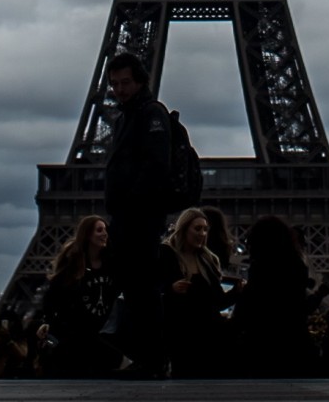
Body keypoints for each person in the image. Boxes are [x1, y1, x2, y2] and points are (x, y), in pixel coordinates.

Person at [103, 52, 172, 377]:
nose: (119, 89)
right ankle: (144, 358)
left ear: (141, 80)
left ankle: (152, 360)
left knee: (143, 290)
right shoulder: (125, 117)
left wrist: (131, 203)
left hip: (140, 217)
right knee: (135, 290)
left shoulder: (150, 114)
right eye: (114, 83)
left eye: (125, 82)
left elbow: (156, 166)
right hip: (127, 216)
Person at [231, 215, 319, 378]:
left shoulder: (260, 267)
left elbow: (249, 308)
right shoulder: (297, 266)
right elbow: (299, 307)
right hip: (295, 344)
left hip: (263, 346)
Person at [35, 216, 122, 378]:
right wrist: (47, 320)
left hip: (99, 330)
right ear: (87, 234)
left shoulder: (112, 264)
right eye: (99, 230)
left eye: (106, 230)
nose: (105, 234)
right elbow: (53, 295)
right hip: (75, 334)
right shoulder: (73, 264)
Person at [159, 207, 240, 378]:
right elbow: (152, 289)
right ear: (184, 229)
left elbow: (219, 302)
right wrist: (170, 289)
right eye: (197, 228)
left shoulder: (208, 260)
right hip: (183, 335)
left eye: (205, 229)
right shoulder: (166, 254)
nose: (202, 233)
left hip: (210, 335)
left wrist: (237, 291)